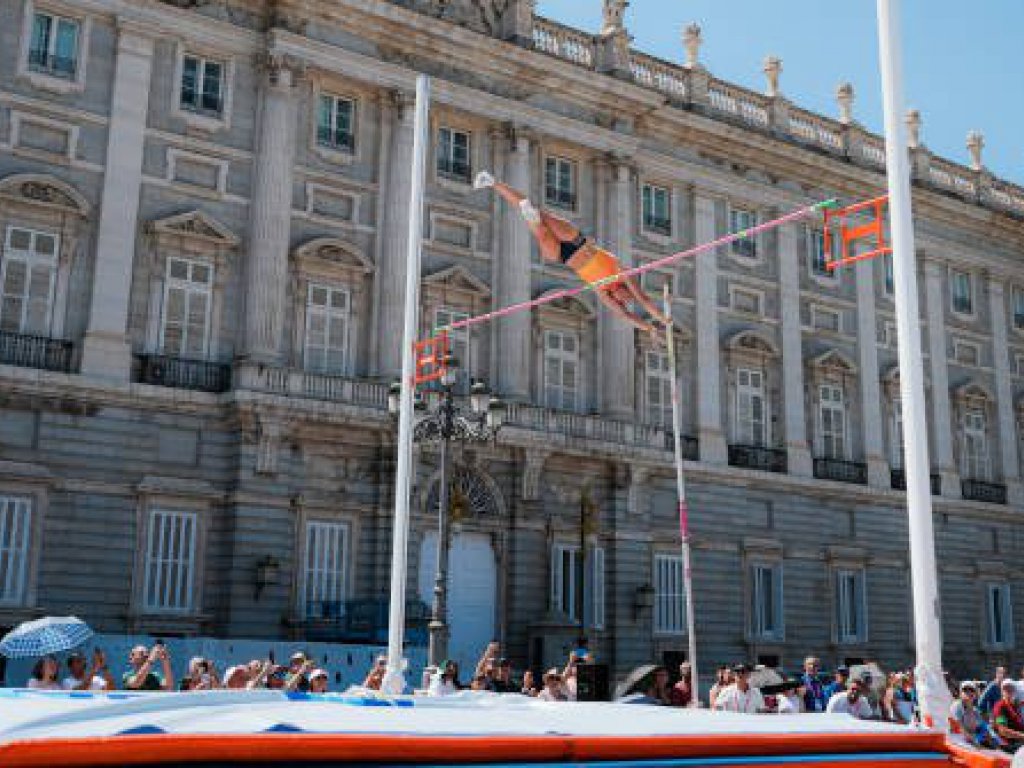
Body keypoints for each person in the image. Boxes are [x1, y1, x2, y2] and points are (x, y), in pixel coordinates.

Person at [475, 172, 669, 335]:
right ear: (626, 289)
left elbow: (624, 315)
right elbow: (643, 299)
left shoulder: (603, 291)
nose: (621, 299)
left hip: (564, 256)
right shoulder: (620, 271)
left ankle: (531, 218)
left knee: (541, 234)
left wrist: (647, 327)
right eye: (626, 297)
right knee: (531, 207)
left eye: (622, 301)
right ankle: (491, 181)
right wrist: (660, 317)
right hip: (576, 241)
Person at [991, 679, 1024, 752]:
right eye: (1005, 689)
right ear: (1002, 692)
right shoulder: (1000, 706)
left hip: (1018, 742)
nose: (1008, 691)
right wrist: (1022, 735)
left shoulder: (1015, 706)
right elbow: (1003, 730)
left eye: (1010, 689)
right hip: (1008, 744)